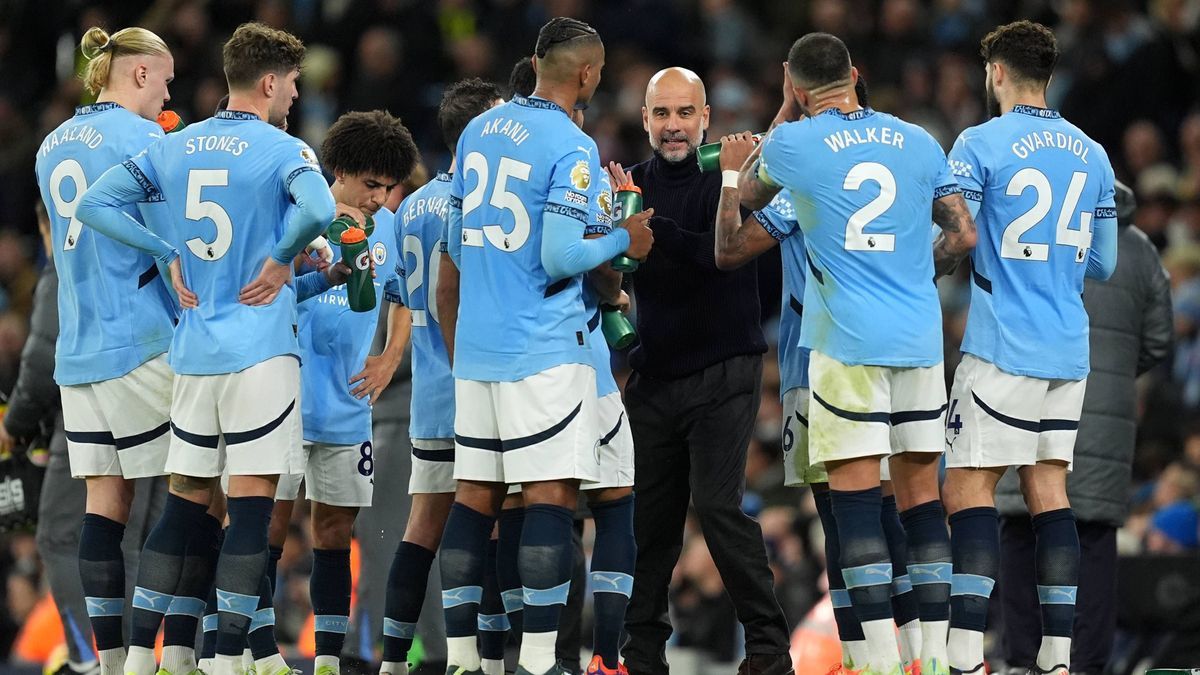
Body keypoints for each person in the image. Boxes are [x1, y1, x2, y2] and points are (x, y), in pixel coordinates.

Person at [76, 21, 335, 675]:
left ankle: (138, 655)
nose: (296, 97)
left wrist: (165, 251)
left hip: (193, 352)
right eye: (294, 85)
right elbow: (321, 209)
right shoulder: (283, 151)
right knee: (250, 505)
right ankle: (224, 659)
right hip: (260, 351)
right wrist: (280, 260)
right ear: (269, 83)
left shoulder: (175, 145)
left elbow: (96, 203)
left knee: (185, 503)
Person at [737, 32, 977, 675]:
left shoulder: (792, 143)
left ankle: (873, 662)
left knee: (855, 503)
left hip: (844, 344)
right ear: (855, 73)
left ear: (794, 83)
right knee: (922, 501)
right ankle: (931, 660)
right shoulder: (920, 138)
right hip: (920, 342)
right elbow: (964, 232)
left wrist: (781, 119)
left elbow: (744, 201)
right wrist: (919, 276)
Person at [440, 16, 652, 675]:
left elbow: (454, 243)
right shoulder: (572, 144)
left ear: (534, 62)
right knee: (549, 501)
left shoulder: (478, 130)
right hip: (542, 348)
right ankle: (536, 661)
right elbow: (561, 254)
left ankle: (460, 659)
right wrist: (626, 239)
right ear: (588, 73)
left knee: (474, 499)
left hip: (476, 350)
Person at [940, 20, 1118, 675]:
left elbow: (957, 232)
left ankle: (962, 659)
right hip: (1068, 350)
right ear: (1047, 74)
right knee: (1049, 490)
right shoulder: (1093, 153)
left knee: (969, 488)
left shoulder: (979, 142)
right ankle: (1056, 658)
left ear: (996, 73)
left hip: (1001, 347)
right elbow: (1102, 263)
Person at [603, 65, 791, 675]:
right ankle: (642, 655)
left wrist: (646, 228)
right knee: (650, 523)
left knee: (716, 508)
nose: (674, 126)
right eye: (662, 114)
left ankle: (768, 651)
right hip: (654, 377)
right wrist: (614, 257)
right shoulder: (627, 187)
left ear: (705, 117)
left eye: (685, 113)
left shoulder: (732, 174)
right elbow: (614, 276)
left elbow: (720, 258)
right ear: (645, 121)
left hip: (726, 370)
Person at [32, 25, 177, 675]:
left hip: (79, 348)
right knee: (197, 493)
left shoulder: (48, 145)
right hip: (141, 340)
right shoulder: (146, 139)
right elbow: (168, 240)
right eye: (165, 80)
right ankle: (174, 655)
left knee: (104, 504)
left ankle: (113, 660)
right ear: (140, 73)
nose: (167, 94)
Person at [993, 180, 1170, 674]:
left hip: (1027, 403)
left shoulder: (1024, 231)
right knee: (1091, 542)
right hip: (1104, 424)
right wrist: (1111, 379)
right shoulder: (1139, 250)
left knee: (1021, 530)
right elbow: (1158, 339)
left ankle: (1024, 661)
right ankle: (1088, 665)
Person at [266, 109, 418, 675]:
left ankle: (328, 660)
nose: (380, 197)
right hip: (284, 392)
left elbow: (403, 294)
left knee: (335, 530)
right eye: (371, 184)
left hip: (348, 400)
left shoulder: (392, 226)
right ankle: (257, 654)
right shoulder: (301, 212)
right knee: (271, 527)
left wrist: (389, 357)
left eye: (388, 186)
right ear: (341, 171)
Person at [380, 77, 503, 675]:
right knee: (496, 524)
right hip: (479, 384)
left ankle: (394, 661)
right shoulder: (482, 204)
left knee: (421, 527)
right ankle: (480, 658)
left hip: (428, 388)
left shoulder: (410, 207)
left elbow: (404, 296)